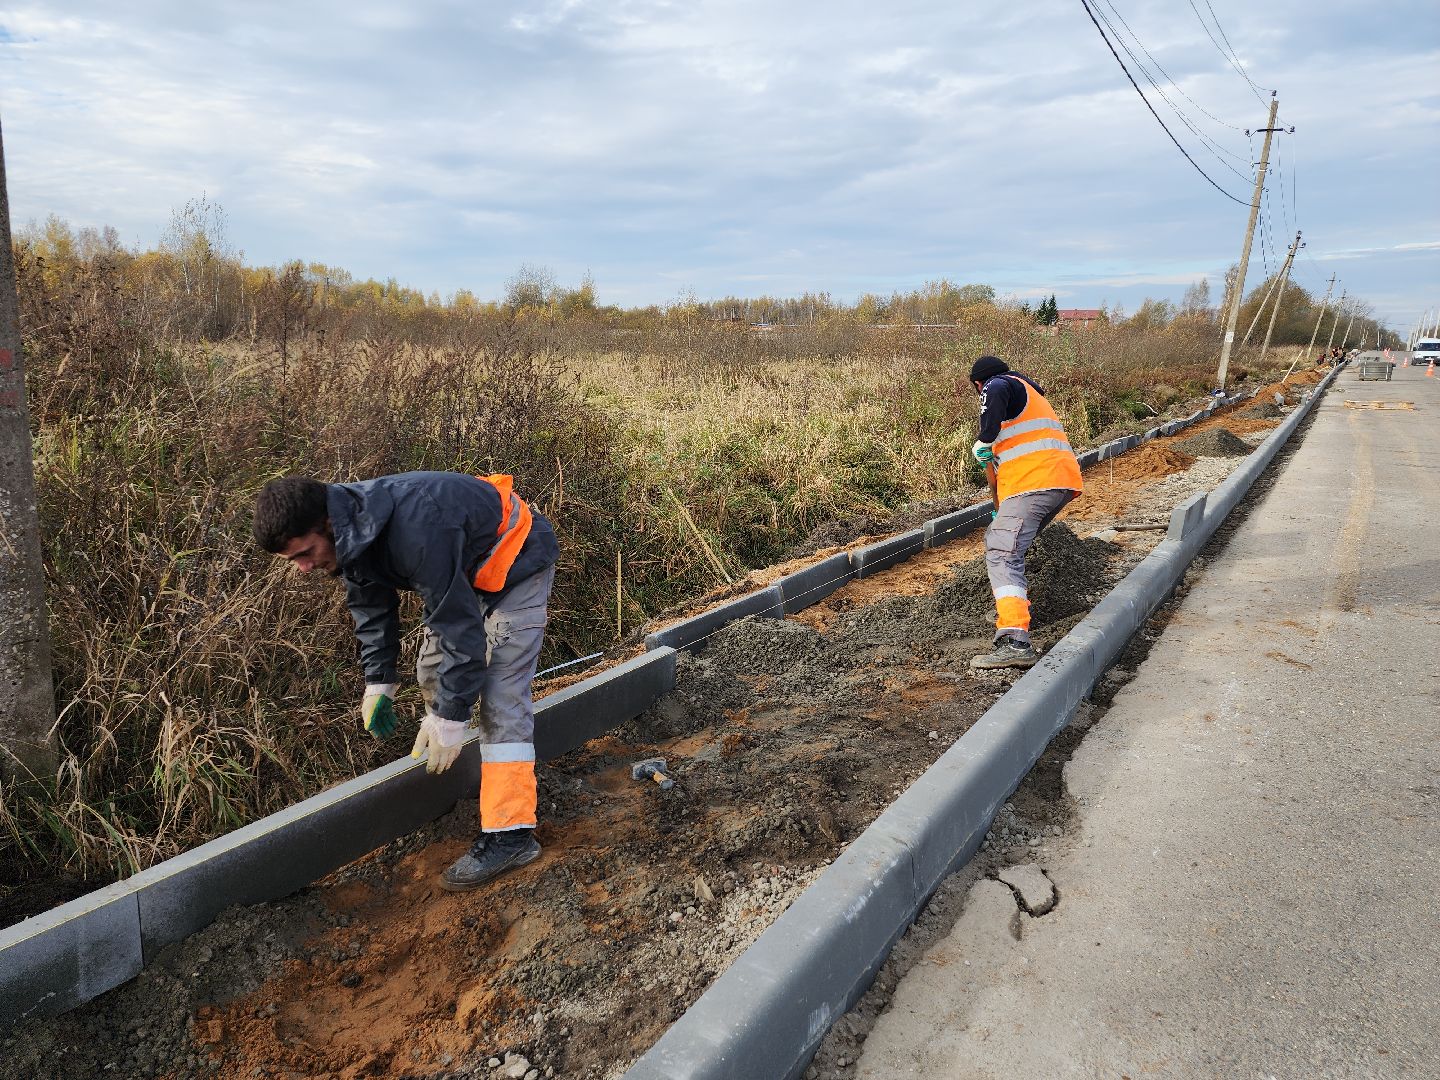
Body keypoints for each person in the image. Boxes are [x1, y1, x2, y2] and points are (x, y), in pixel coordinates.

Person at [252, 471, 559, 891]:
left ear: (326, 523)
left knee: (500, 698)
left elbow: (460, 633)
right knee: (432, 670)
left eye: (305, 553)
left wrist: (451, 716)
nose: (304, 568)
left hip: (515, 559)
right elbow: (371, 606)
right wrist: (379, 682)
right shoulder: (353, 532)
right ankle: (470, 761)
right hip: (462, 567)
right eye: (294, 561)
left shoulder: (417, 528)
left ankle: (511, 834)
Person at [967, 355, 1083, 670]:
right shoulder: (1028, 394)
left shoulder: (997, 384)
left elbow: (995, 390)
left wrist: (984, 439)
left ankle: (1014, 640)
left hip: (1034, 483)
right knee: (1007, 544)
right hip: (1055, 481)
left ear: (978, 384)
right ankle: (1011, 610)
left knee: (1003, 552)